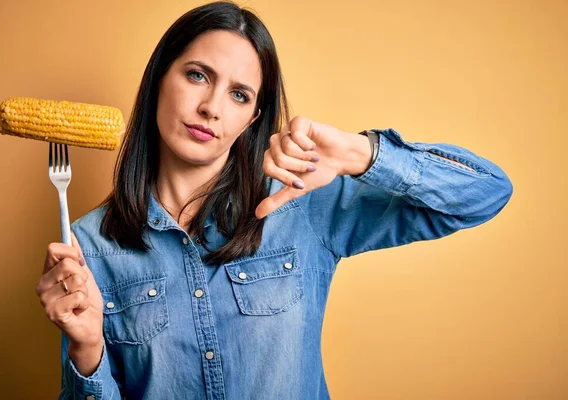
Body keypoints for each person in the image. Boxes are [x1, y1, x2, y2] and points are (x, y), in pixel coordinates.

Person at [35, 1, 513, 399]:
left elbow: (485, 193)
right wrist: (88, 352)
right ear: (160, 77)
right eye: (199, 76)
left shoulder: (301, 203)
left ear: (252, 117)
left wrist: (359, 151)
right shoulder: (87, 246)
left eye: (239, 94)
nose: (212, 107)